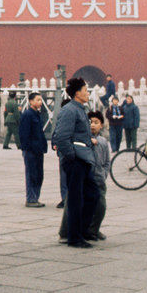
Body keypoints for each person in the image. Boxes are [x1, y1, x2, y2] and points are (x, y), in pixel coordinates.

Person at [51, 78, 100, 248]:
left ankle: (82, 230)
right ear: (77, 93)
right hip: (76, 161)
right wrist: (72, 157)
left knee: (93, 195)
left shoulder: (81, 109)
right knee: (75, 200)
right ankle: (74, 237)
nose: (87, 93)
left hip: (83, 159)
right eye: (86, 90)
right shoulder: (70, 110)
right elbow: (61, 136)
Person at [60, 111, 109, 242]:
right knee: (73, 204)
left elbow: (106, 162)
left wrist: (104, 173)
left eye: (96, 123)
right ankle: (65, 232)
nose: (92, 125)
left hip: (99, 178)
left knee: (100, 205)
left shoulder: (103, 142)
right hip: (82, 176)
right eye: (90, 122)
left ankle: (92, 230)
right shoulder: (80, 139)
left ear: (102, 125)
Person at [18, 92, 47, 207]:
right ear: (30, 101)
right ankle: (30, 199)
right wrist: (27, 148)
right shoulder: (27, 114)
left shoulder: (37, 114)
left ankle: (36, 197)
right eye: (37, 100)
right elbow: (23, 134)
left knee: (39, 175)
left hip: (38, 150)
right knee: (31, 175)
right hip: (31, 151)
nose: (40, 102)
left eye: (40, 100)